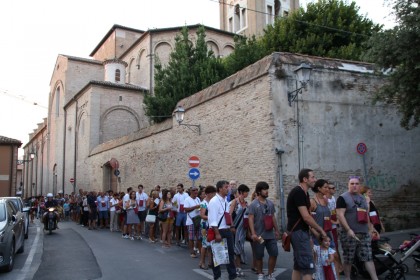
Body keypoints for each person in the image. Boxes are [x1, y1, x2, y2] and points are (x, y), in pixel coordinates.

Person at [287, 168, 327, 280]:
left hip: (300, 232)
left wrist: (311, 233)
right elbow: (306, 217)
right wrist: (321, 230)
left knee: (299, 266)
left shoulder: (304, 193)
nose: (315, 179)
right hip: (299, 233)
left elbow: (305, 218)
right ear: (305, 179)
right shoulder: (298, 192)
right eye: (312, 177)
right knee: (307, 268)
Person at [336, 177, 379, 280]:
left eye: (356, 183)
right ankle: (347, 277)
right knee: (349, 258)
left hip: (363, 233)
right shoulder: (342, 198)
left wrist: (370, 229)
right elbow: (340, 215)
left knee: (368, 257)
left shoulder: (363, 198)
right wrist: (348, 230)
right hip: (349, 234)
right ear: (348, 185)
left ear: (359, 185)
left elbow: (366, 215)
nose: (354, 185)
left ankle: (375, 278)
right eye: (352, 183)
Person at [248, 182, 280, 280]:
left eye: (267, 189)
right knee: (259, 255)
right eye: (264, 189)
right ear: (259, 191)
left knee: (274, 253)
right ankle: (260, 273)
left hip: (270, 235)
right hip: (259, 236)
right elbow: (250, 219)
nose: (267, 191)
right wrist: (253, 233)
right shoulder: (253, 204)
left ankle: (270, 274)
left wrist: (277, 230)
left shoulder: (270, 203)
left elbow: (273, 217)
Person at [208, 180, 237, 280]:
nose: (228, 189)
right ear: (220, 188)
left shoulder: (225, 200)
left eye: (228, 187)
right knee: (217, 254)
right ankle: (217, 276)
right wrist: (217, 233)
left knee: (230, 254)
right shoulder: (214, 201)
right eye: (226, 187)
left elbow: (227, 215)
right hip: (218, 230)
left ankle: (232, 275)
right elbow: (213, 219)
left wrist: (231, 226)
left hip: (226, 229)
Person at [229, 184, 250, 277]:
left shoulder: (246, 203)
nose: (247, 194)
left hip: (243, 229)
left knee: (240, 247)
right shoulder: (235, 202)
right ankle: (237, 268)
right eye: (246, 192)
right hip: (235, 228)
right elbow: (229, 215)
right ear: (241, 192)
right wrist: (232, 226)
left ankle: (237, 266)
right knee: (236, 248)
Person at [309, 179, 335, 248]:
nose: (328, 189)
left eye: (328, 188)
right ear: (319, 188)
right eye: (325, 187)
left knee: (332, 257)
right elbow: (308, 220)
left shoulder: (326, 200)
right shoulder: (312, 202)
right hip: (317, 237)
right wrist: (316, 233)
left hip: (328, 235)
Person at [199, 185, 217, 270]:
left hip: (211, 224)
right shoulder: (203, 203)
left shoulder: (212, 201)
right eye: (213, 193)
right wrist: (212, 217)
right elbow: (202, 215)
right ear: (209, 194)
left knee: (210, 244)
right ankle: (202, 262)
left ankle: (210, 262)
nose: (214, 195)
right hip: (205, 225)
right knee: (205, 244)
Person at [184, 186, 202, 258]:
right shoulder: (187, 199)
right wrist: (195, 207)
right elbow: (186, 209)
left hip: (198, 220)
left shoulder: (198, 199)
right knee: (191, 237)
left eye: (197, 190)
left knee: (199, 237)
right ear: (191, 191)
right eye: (194, 190)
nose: (196, 191)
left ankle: (200, 251)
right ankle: (192, 252)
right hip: (191, 221)